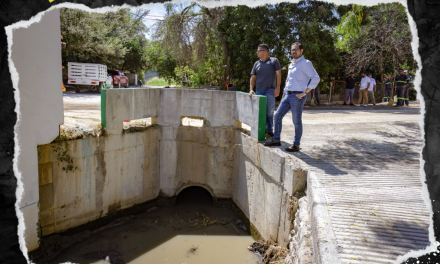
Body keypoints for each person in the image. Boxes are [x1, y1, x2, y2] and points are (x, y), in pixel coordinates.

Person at [264, 42, 320, 152]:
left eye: (296, 49)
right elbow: (288, 81)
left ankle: (296, 144)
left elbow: (315, 78)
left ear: (301, 50)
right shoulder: (291, 64)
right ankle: (276, 139)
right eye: (292, 50)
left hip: (297, 96)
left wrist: (306, 92)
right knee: (277, 116)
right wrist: (283, 95)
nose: (293, 51)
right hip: (288, 95)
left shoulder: (306, 63)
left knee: (296, 121)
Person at [249, 44, 281, 138]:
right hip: (259, 91)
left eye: (258, 51)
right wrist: (251, 89)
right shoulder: (256, 63)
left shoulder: (274, 61)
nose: (257, 53)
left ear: (264, 52)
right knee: (260, 111)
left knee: (269, 111)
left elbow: (278, 74)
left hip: (270, 90)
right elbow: (253, 77)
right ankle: (261, 130)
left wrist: (278, 87)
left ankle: (270, 130)